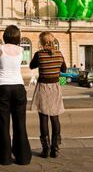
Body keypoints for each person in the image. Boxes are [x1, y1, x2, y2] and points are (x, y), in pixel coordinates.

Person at [0, 20, 31, 165]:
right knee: (20, 123)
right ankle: (23, 157)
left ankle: (4, 157)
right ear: (17, 37)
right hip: (19, 87)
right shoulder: (21, 50)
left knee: (3, 123)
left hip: (3, 87)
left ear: (5, 36)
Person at [30, 31, 67, 159]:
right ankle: (55, 149)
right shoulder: (59, 54)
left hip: (43, 87)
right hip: (55, 87)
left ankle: (45, 149)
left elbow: (31, 66)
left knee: (43, 118)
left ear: (41, 42)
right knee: (55, 118)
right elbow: (64, 70)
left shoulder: (39, 55)